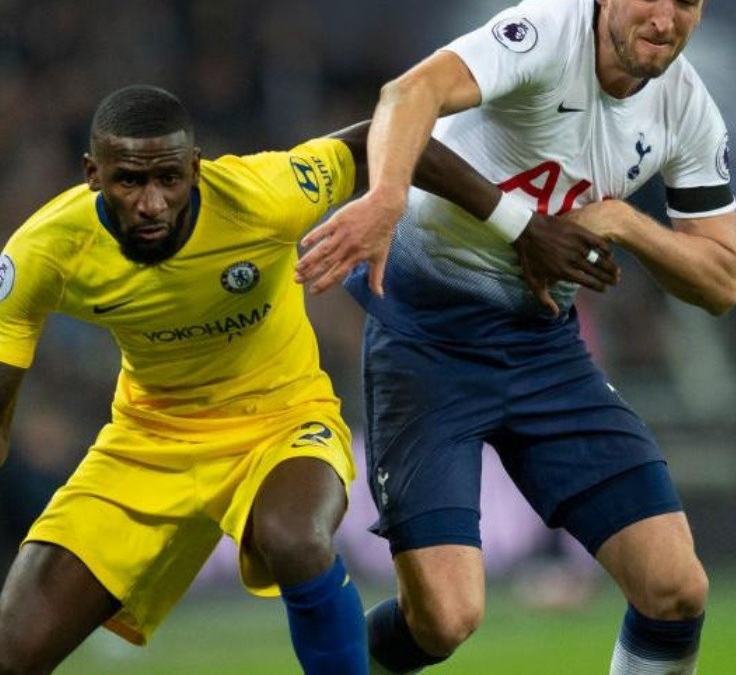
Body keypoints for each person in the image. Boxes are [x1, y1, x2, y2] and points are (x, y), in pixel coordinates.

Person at [0, 84, 612, 674]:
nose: (152, 201)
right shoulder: (44, 252)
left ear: (196, 165)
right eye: (129, 181)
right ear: (91, 174)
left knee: (294, 538)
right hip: (147, 441)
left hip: (283, 421)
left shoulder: (263, 194)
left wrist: (522, 229)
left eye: (169, 178)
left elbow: (395, 135)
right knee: (14, 650)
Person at [296, 0, 736, 675]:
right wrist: (387, 201)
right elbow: (409, 95)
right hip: (425, 346)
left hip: (543, 350)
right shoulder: (546, 30)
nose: (664, 19)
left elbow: (723, 280)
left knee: (676, 588)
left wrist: (629, 223)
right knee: (445, 621)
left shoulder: (689, 112)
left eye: (686, 0)